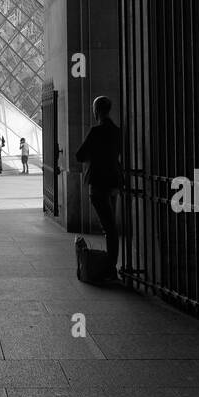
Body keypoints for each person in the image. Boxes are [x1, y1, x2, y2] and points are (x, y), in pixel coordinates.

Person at [74, 95, 123, 280]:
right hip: (114, 181)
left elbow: (79, 155)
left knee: (108, 227)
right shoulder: (117, 131)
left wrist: (95, 155)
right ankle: (112, 265)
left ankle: (110, 268)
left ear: (96, 111)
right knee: (111, 226)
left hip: (98, 182)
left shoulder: (95, 131)